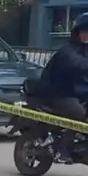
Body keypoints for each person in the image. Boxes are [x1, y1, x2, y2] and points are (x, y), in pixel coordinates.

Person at [36, 14, 88, 162]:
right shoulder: (67, 50)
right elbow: (77, 64)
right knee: (78, 113)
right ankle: (64, 149)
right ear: (77, 32)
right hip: (60, 93)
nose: (87, 34)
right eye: (84, 30)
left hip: (80, 94)